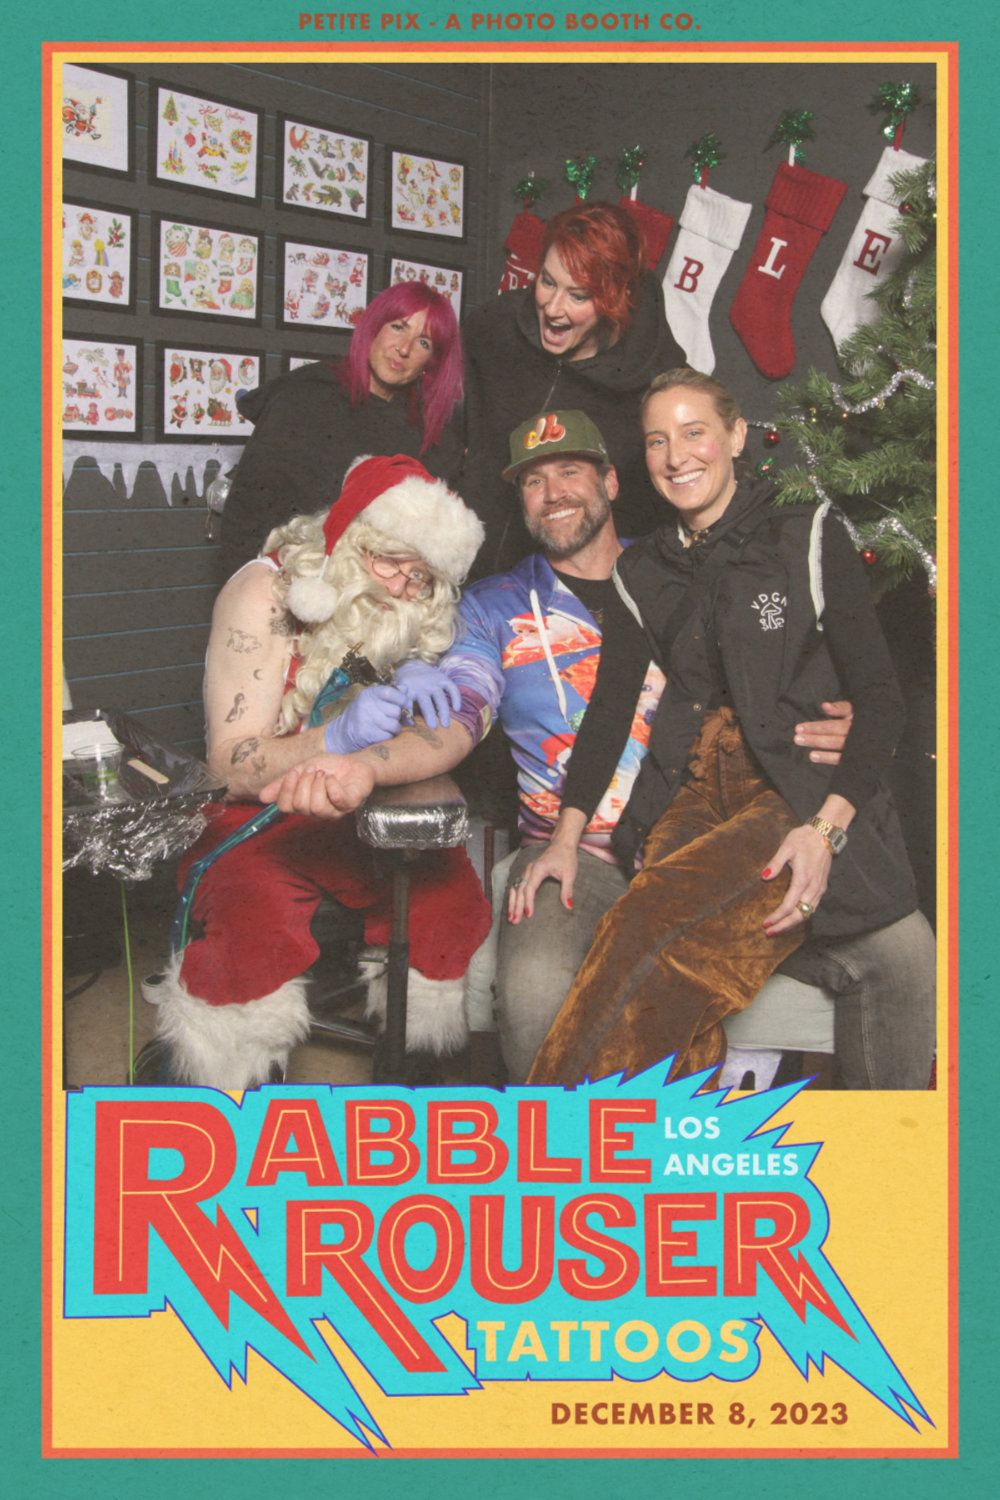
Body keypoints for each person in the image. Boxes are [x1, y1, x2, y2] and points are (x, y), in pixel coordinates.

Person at [261, 410, 932, 1089]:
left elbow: (809, 666)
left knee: (903, 957)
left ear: (610, 482)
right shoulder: (493, 606)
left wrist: (838, 715)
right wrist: (369, 750)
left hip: (723, 841)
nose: (553, 493)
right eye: (533, 481)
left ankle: (880, 1155)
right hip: (577, 853)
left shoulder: (684, 568)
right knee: (534, 990)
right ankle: (573, 1151)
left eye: (570, 471)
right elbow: (462, 710)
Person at [511, 371, 929, 1087]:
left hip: (789, 790)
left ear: (736, 437)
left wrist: (824, 830)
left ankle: (548, 1138)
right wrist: (566, 839)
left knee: (648, 930)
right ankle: (664, 1150)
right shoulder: (642, 570)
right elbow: (610, 709)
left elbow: (882, 699)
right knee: (675, 972)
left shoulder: (806, 535)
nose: (677, 456)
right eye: (657, 441)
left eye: (694, 432)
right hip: (691, 787)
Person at [149, 454, 491, 1090]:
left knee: (449, 901)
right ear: (348, 540)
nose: (400, 588)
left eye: (420, 577)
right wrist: (334, 736)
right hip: (250, 814)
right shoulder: (265, 593)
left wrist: (414, 666)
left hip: (352, 805)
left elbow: (372, 648)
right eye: (389, 562)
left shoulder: (392, 600)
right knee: (256, 927)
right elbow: (228, 763)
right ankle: (228, 1097)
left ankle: (410, 1073)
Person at [461, 201, 686, 577]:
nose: (552, 309)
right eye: (547, 282)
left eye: (578, 296)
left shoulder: (656, 379)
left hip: (575, 590)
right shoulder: (491, 328)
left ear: (615, 298)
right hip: (463, 575)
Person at [218, 283, 466, 575]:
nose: (403, 349)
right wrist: (243, 591)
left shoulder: (432, 429)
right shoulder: (305, 397)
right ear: (374, 327)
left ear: (430, 362)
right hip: (291, 579)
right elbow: (246, 516)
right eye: (398, 327)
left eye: (423, 342)